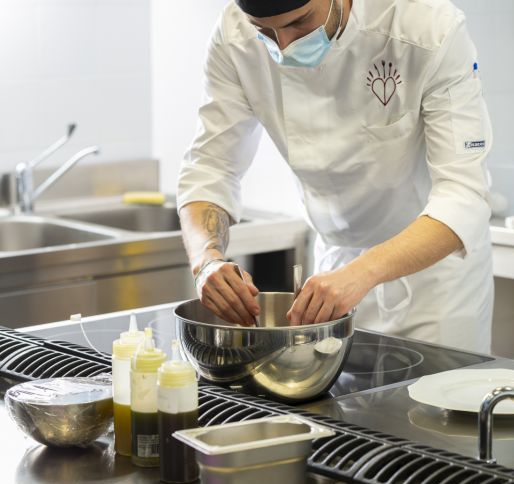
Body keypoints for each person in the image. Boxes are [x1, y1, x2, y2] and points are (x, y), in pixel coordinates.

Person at [177, 0, 494, 353]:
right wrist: (206, 260)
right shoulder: (234, 34)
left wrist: (364, 272)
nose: (284, 47)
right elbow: (210, 167)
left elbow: (464, 196)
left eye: (299, 24)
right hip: (333, 272)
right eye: (265, 33)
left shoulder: (428, 29)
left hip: (433, 284)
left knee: (430, 402)